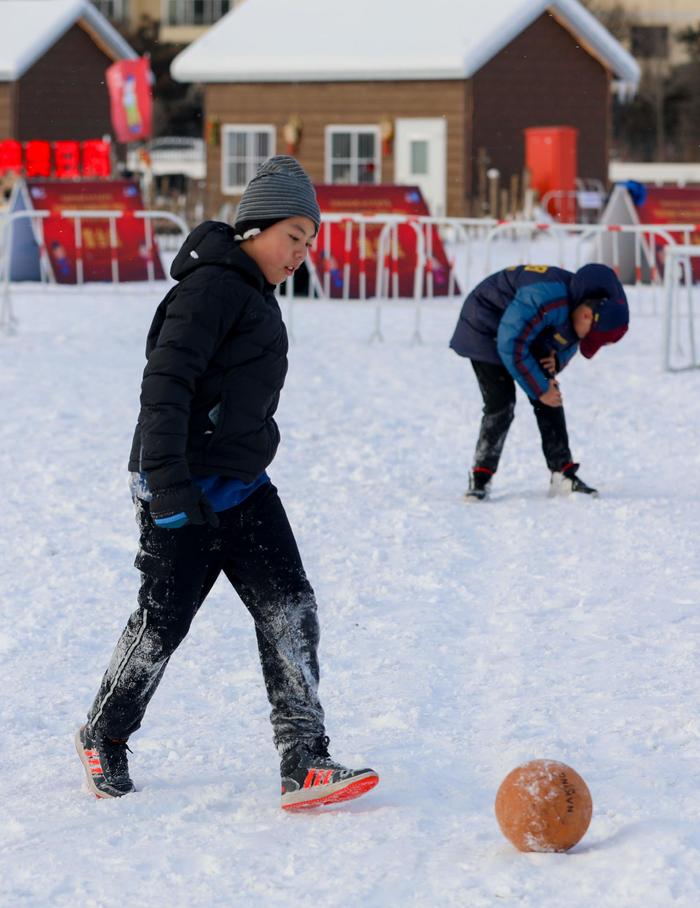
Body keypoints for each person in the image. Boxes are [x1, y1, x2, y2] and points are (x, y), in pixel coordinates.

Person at [76, 156, 379, 810]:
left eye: (309, 242)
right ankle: (105, 732)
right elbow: (164, 388)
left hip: (242, 484)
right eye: (293, 236)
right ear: (255, 228)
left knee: (290, 608)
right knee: (163, 623)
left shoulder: (253, 292)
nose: (301, 253)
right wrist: (169, 487)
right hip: (180, 484)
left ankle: (305, 760)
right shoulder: (211, 288)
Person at [449, 263, 629, 500]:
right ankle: (481, 477)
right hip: (485, 324)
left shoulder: (584, 305)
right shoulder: (546, 298)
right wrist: (539, 388)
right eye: (590, 336)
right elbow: (510, 342)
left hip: (524, 330)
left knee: (550, 394)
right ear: (586, 314)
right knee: (501, 402)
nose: (585, 339)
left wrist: (555, 358)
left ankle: (562, 473)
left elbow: (570, 339)